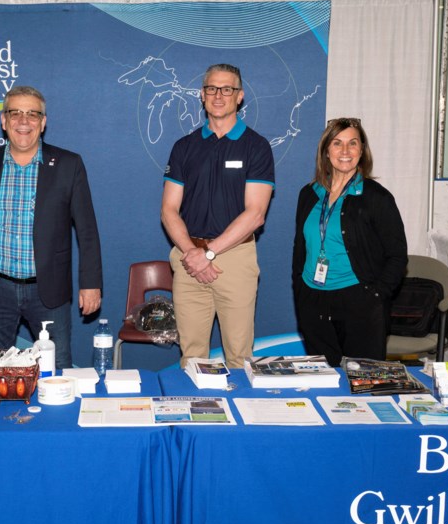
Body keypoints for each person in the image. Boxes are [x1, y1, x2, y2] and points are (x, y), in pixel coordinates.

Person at [0, 85, 102, 368]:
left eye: (32, 114)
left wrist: (90, 284)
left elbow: (87, 230)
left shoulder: (68, 164)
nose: (23, 121)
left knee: (58, 368)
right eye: (15, 113)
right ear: (3, 121)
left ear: (43, 123)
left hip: (48, 290)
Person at [160, 64, 274, 369]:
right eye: (212, 88)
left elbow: (256, 214)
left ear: (240, 97)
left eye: (227, 89)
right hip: (188, 259)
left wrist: (209, 253)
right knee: (192, 357)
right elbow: (168, 210)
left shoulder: (257, 147)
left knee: (239, 357)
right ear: (202, 95)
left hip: (234, 258)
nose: (219, 95)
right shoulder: (184, 147)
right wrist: (192, 253)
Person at [291, 117, 407, 367]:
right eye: (337, 143)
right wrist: (300, 291)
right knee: (323, 382)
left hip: (359, 304)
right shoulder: (308, 194)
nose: (345, 151)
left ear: (362, 151)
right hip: (313, 303)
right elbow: (300, 249)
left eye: (352, 143)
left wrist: (375, 297)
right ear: (326, 152)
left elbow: (397, 256)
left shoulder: (377, 198)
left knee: (362, 386)